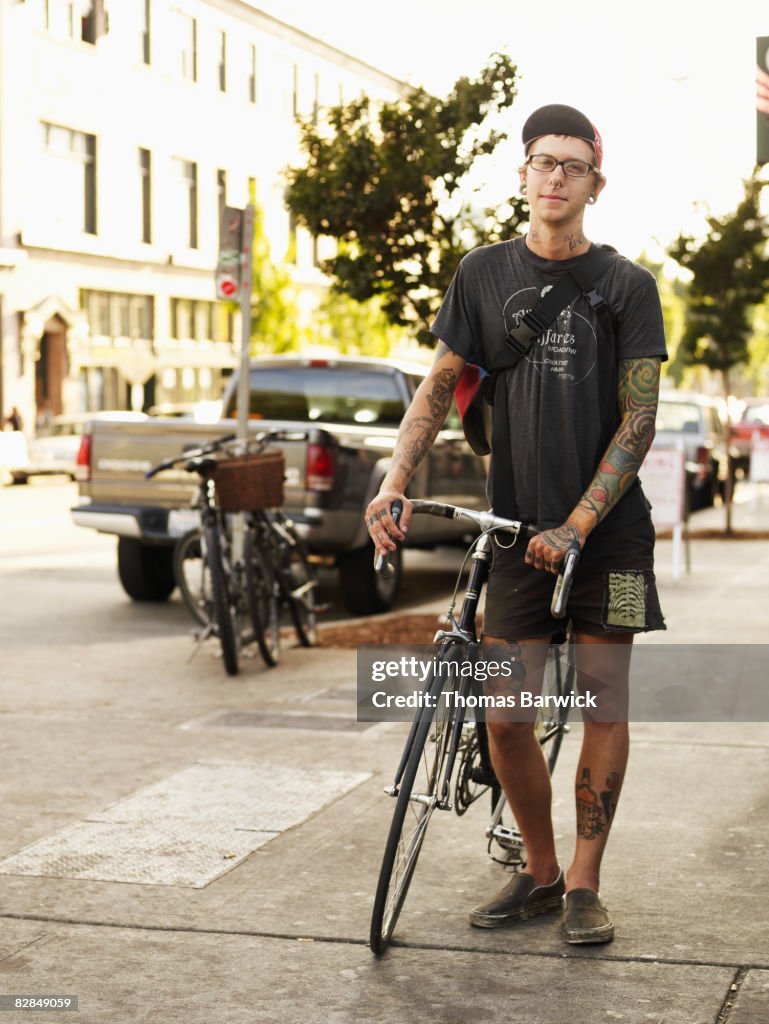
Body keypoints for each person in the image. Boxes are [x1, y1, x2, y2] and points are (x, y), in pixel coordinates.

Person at [365, 103, 667, 945]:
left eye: (573, 165)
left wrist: (576, 523)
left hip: (608, 536)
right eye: (543, 161)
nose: (556, 176)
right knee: (506, 717)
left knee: (604, 703)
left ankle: (582, 884)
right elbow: (437, 385)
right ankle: (536, 869)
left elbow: (637, 420)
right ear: (524, 175)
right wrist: (393, 481)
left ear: (593, 185)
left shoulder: (627, 286)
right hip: (513, 533)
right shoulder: (480, 274)